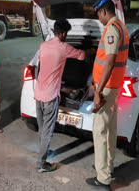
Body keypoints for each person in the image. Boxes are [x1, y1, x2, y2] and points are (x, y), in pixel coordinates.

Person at [85, 0, 129, 190]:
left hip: (107, 88)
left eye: (98, 15)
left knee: (100, 132)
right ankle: (108, 167)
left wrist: (98, 91)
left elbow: (109, 62)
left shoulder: (112, 29)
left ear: (103, 11)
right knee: (110, 129)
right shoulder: (122, 27)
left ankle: (103, 179)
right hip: (114, 86)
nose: (99, 19)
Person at [34, 19, 85, 173]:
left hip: (38, 94)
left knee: (42, 129)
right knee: (48, 131)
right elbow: (81, 56)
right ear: (62, 33)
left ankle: (42, 152)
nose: (66, 36)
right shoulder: (64, 47)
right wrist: (88, 51)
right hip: (50, 96)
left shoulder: (43, 46)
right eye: (66, 34)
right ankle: (41, 164)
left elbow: (42, 67)